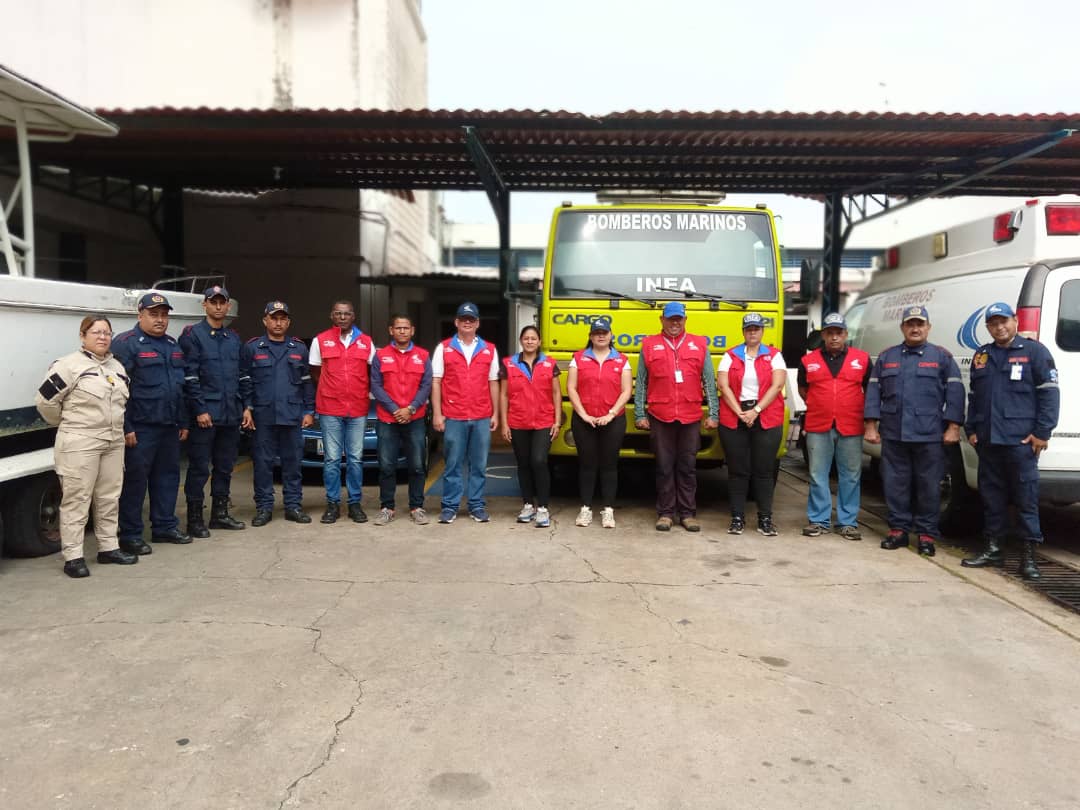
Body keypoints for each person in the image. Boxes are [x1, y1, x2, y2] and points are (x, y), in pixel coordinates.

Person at [961, 302, 1060, 580]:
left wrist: (1043, 432)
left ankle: (1029, 557)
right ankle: (993, 549)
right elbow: (975, 396)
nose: (999, 327)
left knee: (1026, 500)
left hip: (1021, 442)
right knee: (991, 498)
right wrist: (972, 429)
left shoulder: (1035, 352)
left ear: (1015, 321)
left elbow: (1050, 394)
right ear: (988, 327)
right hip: (989, 441)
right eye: (993, 323)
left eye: (1003, 321)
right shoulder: (982, 355)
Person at [34, 316, 138, 577]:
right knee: (77, 499)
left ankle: (108, 548)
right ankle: (73, 557)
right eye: (96, 332)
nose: (102, 337)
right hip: (80, 441)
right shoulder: (68, 366)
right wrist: (69, 423)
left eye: (107, 333)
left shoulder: (116, 367)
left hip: (113, 441)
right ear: (83, 336)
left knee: (109, 497)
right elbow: (45, 402)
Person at [864, 305, 965, 557]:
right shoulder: (887, 357)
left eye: (920, 324)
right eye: (910, 324)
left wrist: (953, 427)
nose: (915, 328)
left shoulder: (941, 357)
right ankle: (898, 530)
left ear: (928, 327)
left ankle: (926, 534)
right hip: (894, 433)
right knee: (895, 483)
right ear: (902, 328)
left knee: (929, 486)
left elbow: (955, 393)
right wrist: (871, 425)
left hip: (929, 435)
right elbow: (873, 392)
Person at [112, 292, 190, 553]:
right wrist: (126, 427)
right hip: (141, 427)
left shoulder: (171, 344)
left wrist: (183, 421)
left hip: (169, 425)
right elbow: (117, 391)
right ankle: (130, 534)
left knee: (167, 478)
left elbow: (179, 387)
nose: (160, 320)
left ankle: (164, 527)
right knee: (135, 483)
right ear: (140, 315)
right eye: (153, 314)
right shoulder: (126, 344)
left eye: (164, 315)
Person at [635, 302, 719, 532]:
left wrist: (713, 413)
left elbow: (709, 381)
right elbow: (641, 381)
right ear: (661, 320)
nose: (674, 323)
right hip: (660, 415)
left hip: (690, 416)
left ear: (685, 320)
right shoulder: (649, 345)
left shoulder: (699, 344)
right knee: (664, 466)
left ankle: (687, 514)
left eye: (678, 319)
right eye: (670, 319)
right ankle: (665, 513)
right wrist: (640, 413)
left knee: (687, 467)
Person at [240, 301, 316, 526]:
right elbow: (245, 380)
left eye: (283, 318)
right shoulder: (253, 348)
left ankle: (293, 506)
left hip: (291, 414)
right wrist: (247, 407)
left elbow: (306, 382)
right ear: (265, 320)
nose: (278, 323)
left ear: (288, 322)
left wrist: (309, 410)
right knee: (263, 464)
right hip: (263, 415)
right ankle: (264, 507)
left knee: (293, 463)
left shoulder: (298, 348)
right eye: (274, 318)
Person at [797, 312, 871, 540]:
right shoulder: (808, 361)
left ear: (846, 334)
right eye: (830, 333)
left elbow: (870, 391)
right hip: (819, 424)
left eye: (839, 333)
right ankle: (819, 520)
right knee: (817, 474)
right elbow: (803, 389)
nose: (834, 337)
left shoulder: (862, 359)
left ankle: (847, 522)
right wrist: (822, 404)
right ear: (823, 336)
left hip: (851, 425)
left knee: (850, 475)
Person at [179, 284, 246, 538]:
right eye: (213, 302)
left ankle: (219, 514)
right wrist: (199, 409)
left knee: (225, 466)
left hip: (230, 414)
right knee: (199, 468)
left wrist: (245, 407)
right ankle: (195, 520)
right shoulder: (193, 335)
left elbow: (241, 375)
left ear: (228, 306)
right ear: (204, 305)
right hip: (205, 415)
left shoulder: (233, 338)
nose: (218, 306)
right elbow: (190, 376)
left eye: (222, 302)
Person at [717, 312, 788, 536]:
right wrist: (740, 412)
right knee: (737, 471)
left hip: (766, 416)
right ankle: (737, 518)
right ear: (743, 332)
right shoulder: (730, 355)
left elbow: (777, 385)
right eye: (749, 329)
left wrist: (756, 411)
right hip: (734, 416)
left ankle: (765, 519)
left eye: (756, 329)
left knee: (764, 471)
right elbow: (723, 385)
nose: (753, 332)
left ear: (762, 331)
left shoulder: (774, 355)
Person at [430, 301, 499, 524]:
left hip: (481, 415)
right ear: (456, 322)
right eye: (463, 319)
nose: (467, 323)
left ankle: (476, 505)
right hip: (454, 415)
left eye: (471, 320)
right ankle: (450, 506)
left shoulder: (489, 349)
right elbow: (436, 382)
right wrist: (438, 413)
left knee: (479, 465)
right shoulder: (444, 348)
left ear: (477, 323)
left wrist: (496, 413)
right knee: (452, 464)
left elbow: (493, 382)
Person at [308, 299, 374, 524]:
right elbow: (315, 371)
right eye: (338, 313)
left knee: (355, 458)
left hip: (357, 408)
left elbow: (372, 371)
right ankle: (332, 505)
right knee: (332, 459)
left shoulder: (366, 342)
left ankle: (355, 504)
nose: (342, 317)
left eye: (346, 314)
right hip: (330, 408)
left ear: (353, 316)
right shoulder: (320, 340)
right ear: (332, 316)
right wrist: (332, 389)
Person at [568, 317, 632, 528]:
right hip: (584, 420)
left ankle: (608, 510)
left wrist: (611, 414)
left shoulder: (621, 360)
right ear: (590, 336)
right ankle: (585, 508)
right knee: (587, 465)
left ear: (611, 335)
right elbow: (571, 388)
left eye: (604, 333)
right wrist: (583, 414)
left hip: (613, 420)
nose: (601, 336)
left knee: (609, 465)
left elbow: (626, 391)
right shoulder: (578, 358)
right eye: (597, 333)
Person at [370, 314, 433, 526]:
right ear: (391, 330)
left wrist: (411, 408)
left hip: (415, 419)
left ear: (412, 330)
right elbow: (376, 385)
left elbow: (426, 385)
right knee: (386, 466)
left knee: (417, 466)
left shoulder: (423, 355)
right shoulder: (381, 356)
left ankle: (417, 507)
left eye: (406, 328)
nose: (402, 331)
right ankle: (387, 508)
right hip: (388, 419)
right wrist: (395, 409)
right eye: (398, 328)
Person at [500, 324, 562, 529]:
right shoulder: (509, 364)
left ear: (539, 341)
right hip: (518, 421)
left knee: (539, 460)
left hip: (544, 421)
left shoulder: (549, 363)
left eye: (533, 338)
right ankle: (528, 505)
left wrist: (557, 421)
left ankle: (543, 507)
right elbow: (504, 395)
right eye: (526, 338)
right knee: (523, 463)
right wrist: (504, 423)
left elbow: (556, 393)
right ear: (521, 341)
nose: (529, 341)